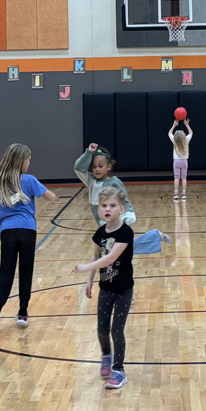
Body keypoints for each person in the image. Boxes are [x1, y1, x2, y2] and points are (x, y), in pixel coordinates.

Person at [0, 143, 57, 333]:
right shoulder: (30, 180)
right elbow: (51, 197)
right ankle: (23, 313)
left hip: (7, 231)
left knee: (5, 273)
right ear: (24, 162)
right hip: (28, 230)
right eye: (29, 159)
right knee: (26, 271)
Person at [75, 186, 137, 389]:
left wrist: (85, 268)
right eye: (103, 205)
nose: (107, 209)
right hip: (105, 290)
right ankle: (106, 356)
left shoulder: (126, 233)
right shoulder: (100, 232)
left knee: (116, 331)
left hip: (124, 291)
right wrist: (90, 280)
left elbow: (110, 257)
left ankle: (119, 371)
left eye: (112, 205)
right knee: (102, 330)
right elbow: (97, 255)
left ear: (121, 208)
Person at [73, 144, 136, 225]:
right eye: (94, 167)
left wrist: (128, 217)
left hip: (117, 223)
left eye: (100, 166)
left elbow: (125, 200)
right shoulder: (91, 181)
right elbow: (78, 168)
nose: (97, 169)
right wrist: (89, 153)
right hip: (101, 225)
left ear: (109, 166)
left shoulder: (115, 182)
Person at [169, 117, 191, 200]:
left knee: (177, 177)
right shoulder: (186, 140)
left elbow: (169, 133)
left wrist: (174, 125)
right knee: (184, 177)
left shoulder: (174, 141)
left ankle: (176, 194)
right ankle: (184, 194)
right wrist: (186, 124)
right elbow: (191, 132)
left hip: (176, 161)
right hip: (184, 161)